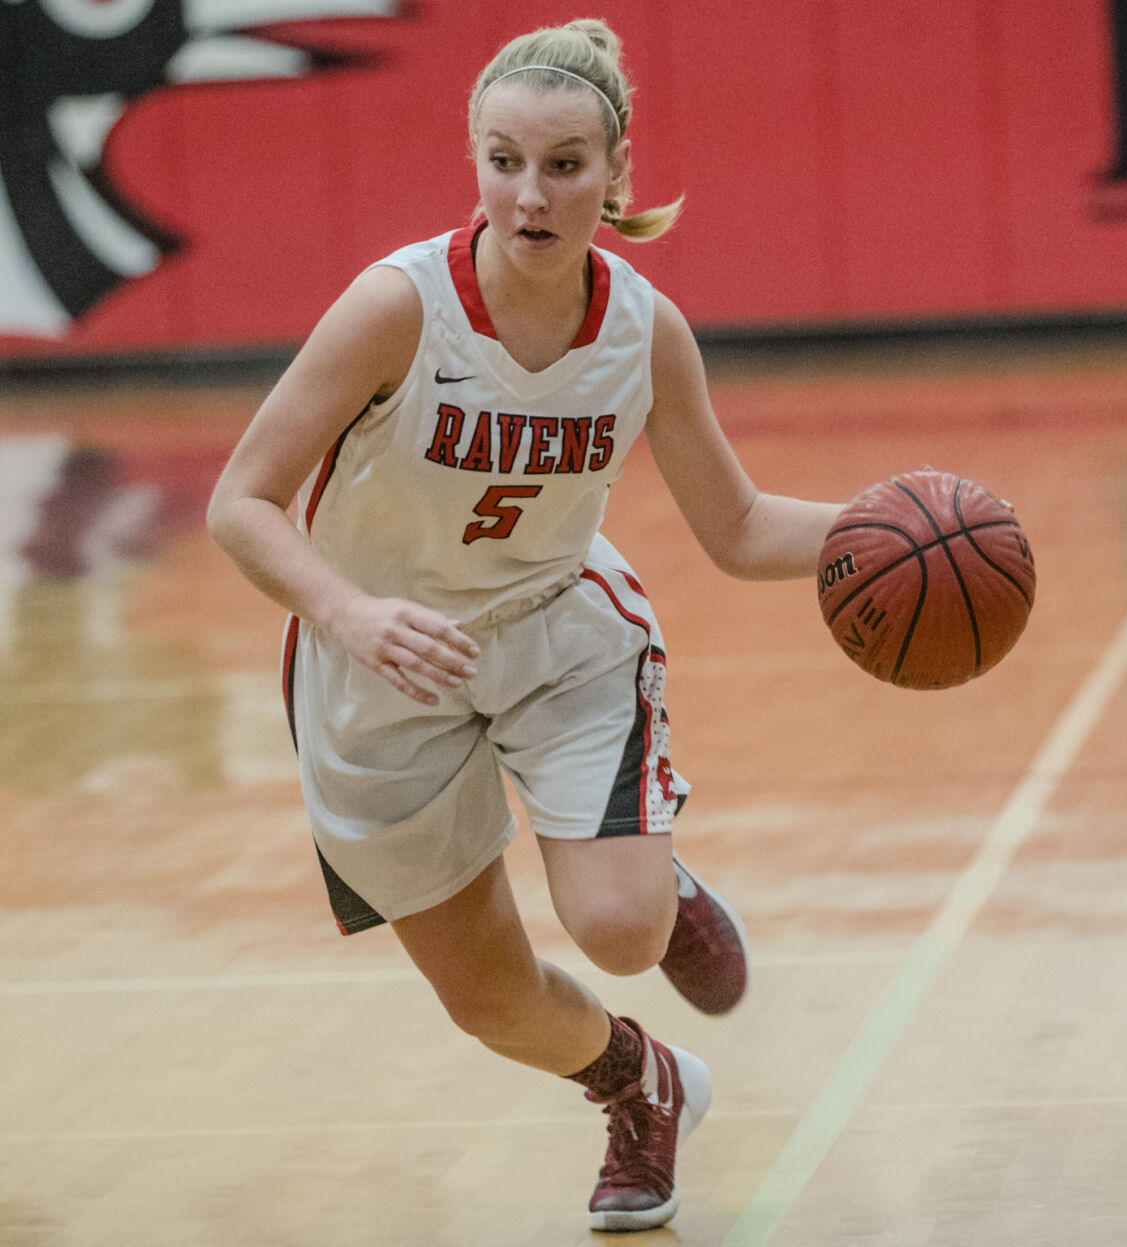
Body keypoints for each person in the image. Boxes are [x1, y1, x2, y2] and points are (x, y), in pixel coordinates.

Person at [207, 17, 842, 1232]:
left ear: (615, 171)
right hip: (377, 657)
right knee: (491, 1001)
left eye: (563, 165)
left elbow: (741, 525)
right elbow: (241, 503)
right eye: (503, 161)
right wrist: (349, 611)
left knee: (616, 924)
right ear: (474, 161)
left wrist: (891, 522)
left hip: (556, 630)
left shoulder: (644, 331)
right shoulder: (397, 307)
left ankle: (648, 874)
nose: (530, 193)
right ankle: (638, 1082)